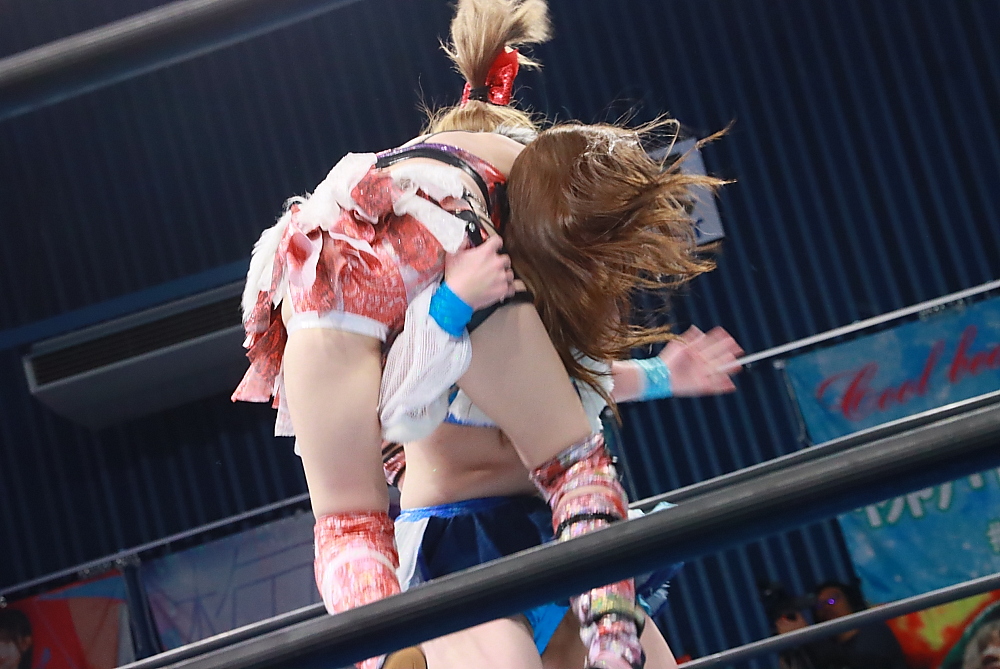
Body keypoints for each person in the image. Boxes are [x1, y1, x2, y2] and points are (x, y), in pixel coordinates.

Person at [233, 0, 722, 667]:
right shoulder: (468, 254)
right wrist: (447, 311)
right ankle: (589, 642)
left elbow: (590, 378)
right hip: (459, 540)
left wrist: (668, 375)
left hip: (539, 523)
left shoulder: (501, 288)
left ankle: (387, 648)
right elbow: (402, 408)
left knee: (349, 525)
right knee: (575, 477)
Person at [389, 324, 742, 669]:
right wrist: (404, 469)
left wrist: (660, 375)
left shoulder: (551, 301)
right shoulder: (413, 307)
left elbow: (552, 374)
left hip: (558, 525)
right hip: (461, 548)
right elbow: (366, 407)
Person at [810, 580, 908, 669]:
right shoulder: (829, 646)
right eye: (820, 605)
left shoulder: (874, 630)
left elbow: (866, 661)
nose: (826, 607)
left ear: (850, 600)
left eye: (832, 600)